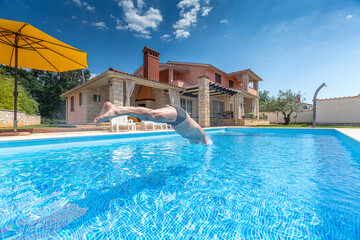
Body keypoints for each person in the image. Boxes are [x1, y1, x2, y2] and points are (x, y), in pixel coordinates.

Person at [94, 102, 207, 145]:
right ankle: (116, 110)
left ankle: (115, 109)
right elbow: (203, 135)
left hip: (174, 121)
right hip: (180, 116)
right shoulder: (200, 135)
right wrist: (206, 146)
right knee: (153, 115)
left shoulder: (192, 139)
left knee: (148, 118)